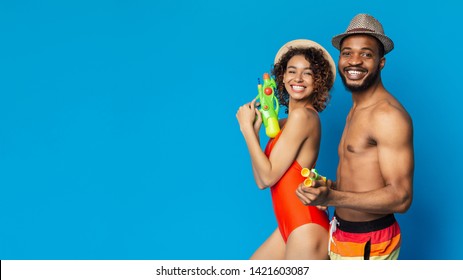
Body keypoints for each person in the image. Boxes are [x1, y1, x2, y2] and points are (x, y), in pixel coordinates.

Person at [296, 14, 414, 260]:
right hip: (342, 235)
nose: (354, 61)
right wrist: (330, 189)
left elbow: (401, 197)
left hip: (370, 244)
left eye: (366, 54)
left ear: (381, 62)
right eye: (347, 53)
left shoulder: (387, 115)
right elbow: (366, 179)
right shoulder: (357, 108)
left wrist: (333, 197)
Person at [236, 39, 336, 259]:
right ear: (282, 77)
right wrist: (254, 132)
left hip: (305, 227)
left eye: (307, 73)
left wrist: (246, 130)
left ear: (318, 81)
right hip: (289, 226)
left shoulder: (304, 116)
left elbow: (267, 178)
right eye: (292, 71)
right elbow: (261, 177)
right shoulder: (286, 123)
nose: (297, 78)